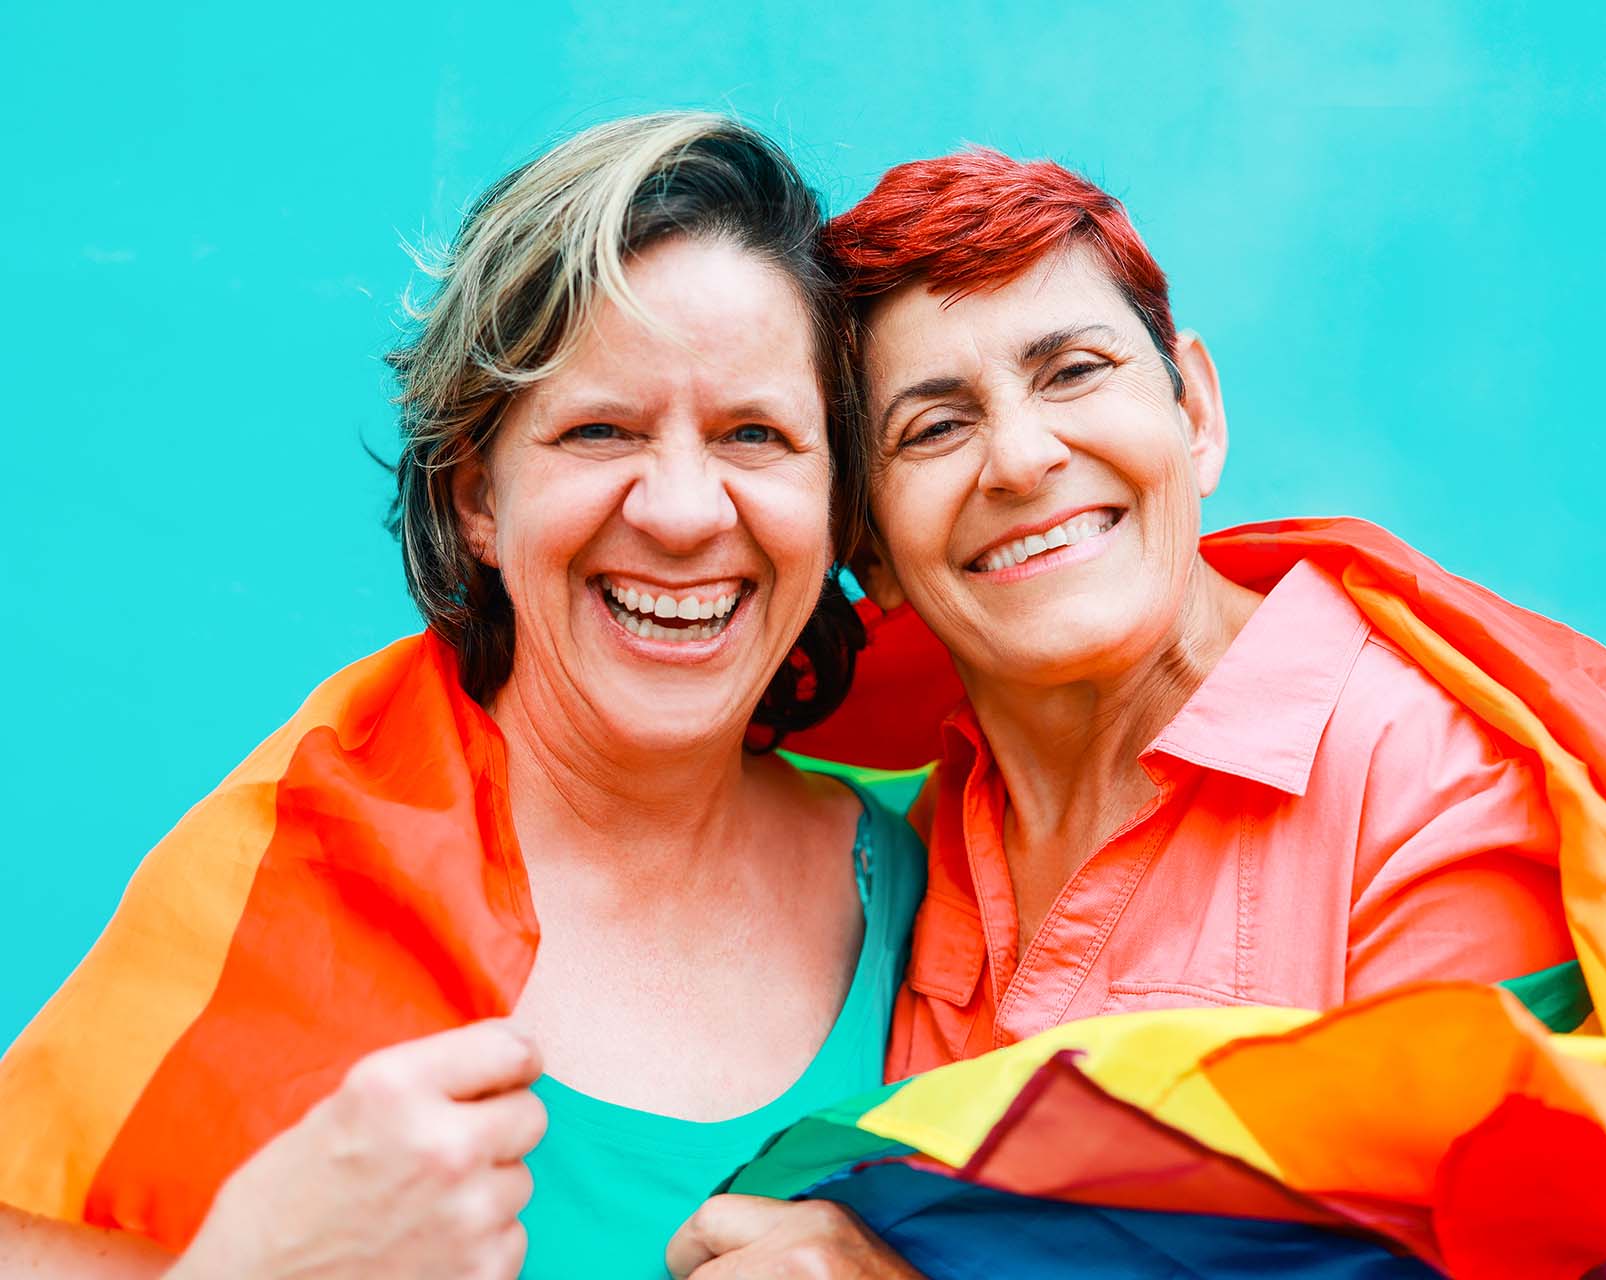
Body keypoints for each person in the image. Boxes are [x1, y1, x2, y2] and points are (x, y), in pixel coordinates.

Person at [666, 148, 1606, 1275]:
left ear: (1193, 407)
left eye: (1073, 370)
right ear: (864, 544)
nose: (1023, 459)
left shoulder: (1437, 786)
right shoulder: (895, 843)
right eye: (933, 425)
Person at [0, 112, 923, 1279]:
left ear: (839, 502)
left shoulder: (936, 876)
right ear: (477, 496)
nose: (684, 511)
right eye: (600, 428)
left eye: (756, 433)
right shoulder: (300, 871)